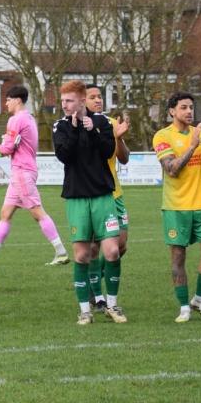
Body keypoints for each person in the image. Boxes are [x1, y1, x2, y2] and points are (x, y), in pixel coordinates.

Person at [51, 80, 123, 325]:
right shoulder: (60, 126)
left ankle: (113, 305)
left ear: (82, 101)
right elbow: (64, 156)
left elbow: (108, 151)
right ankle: (85, 310)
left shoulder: (102, 122)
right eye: (63, 101)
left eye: (69, 100)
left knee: (112, 251)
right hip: (77, 197)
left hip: (103, 195)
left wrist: (92, 131)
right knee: (82, 256)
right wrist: (73, 130)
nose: (65, 105)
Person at [153, 92, 201, 323]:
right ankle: (184, 307)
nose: (189, 111)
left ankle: (199, 299)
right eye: (184, 107)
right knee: (178, 258)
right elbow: (171, 169)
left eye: (191, 107)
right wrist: (192, 147)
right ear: (172, 111)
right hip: (175, 208)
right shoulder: (162, 136)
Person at [0, 85, 69, 265]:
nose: (5, 103)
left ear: (17, 100)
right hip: (22, 171)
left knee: (37, 212)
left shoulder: (16, 120)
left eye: (7, 100)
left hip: (22, 172)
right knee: (6, 213)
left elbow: (7, 149)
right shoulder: (29, 118)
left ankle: (61, 252)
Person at [84, 84, 130, 311]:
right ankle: (98, 295)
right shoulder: (78, 125)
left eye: (99, 96)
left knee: (120, 246)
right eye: (92, 97)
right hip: (93, 195)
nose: (98, 100)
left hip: (115, 194)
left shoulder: (112, 123)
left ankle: (95, 277)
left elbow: (124, 159)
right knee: (93, 248)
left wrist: (119, 139)